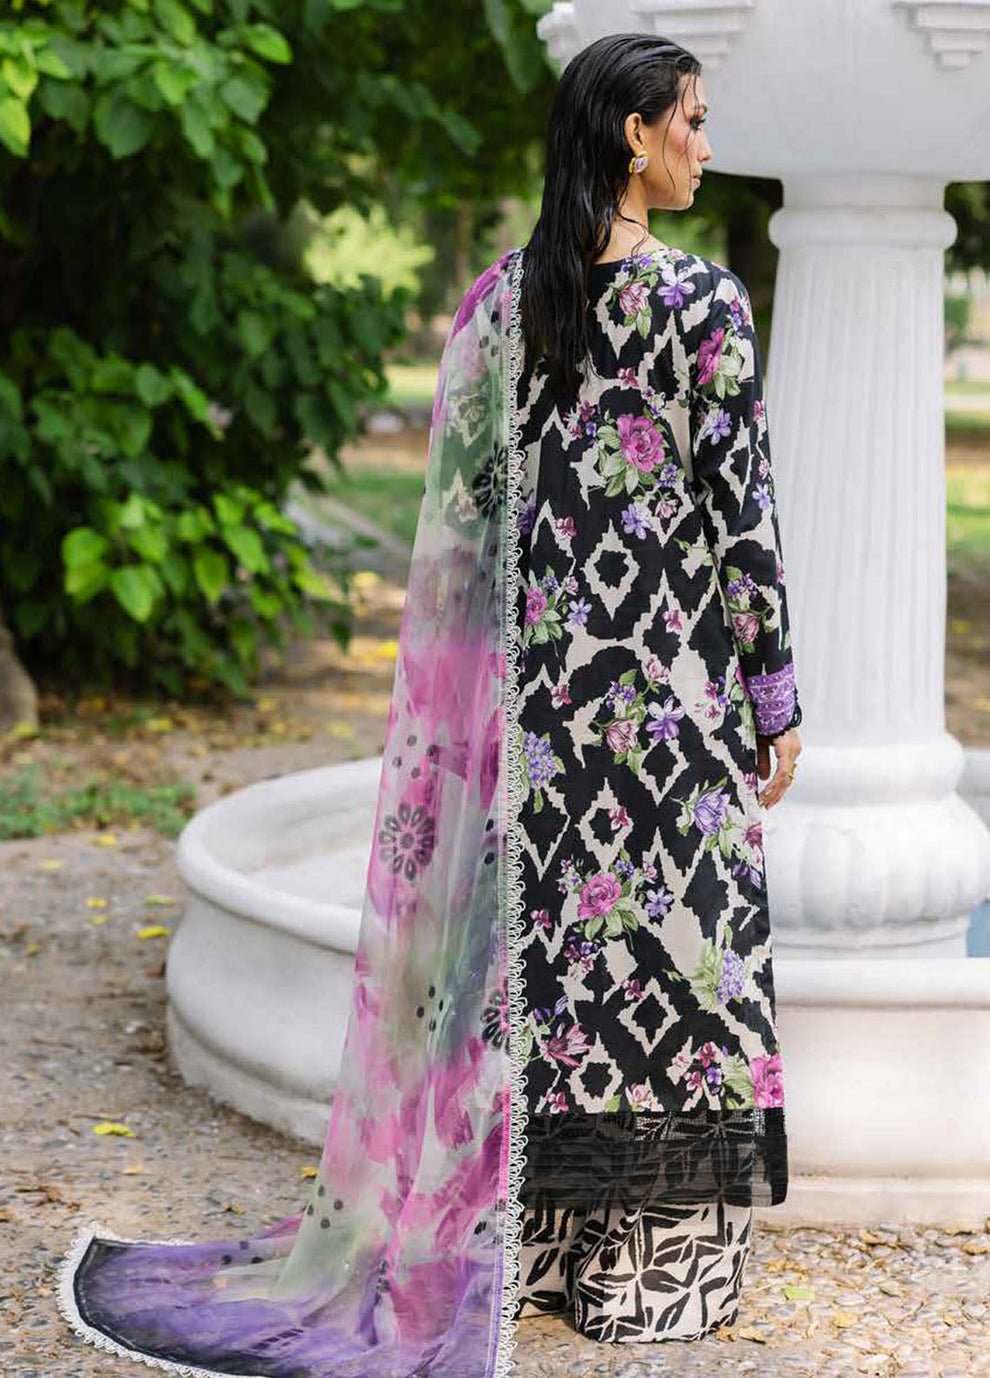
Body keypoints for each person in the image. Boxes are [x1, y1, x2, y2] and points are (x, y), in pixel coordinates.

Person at [55, 30, 802, 1378]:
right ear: (632, 134)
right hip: (667, 709)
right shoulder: (702, 303)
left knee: (549, 975)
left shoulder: (499, 303)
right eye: (690, 120)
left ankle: (530, 1247)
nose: (706, 145)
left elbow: (454, 537)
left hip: (536, 717)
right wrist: (774, 694)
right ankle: (640, 1278)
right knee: (671, 974)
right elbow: (738, 514)